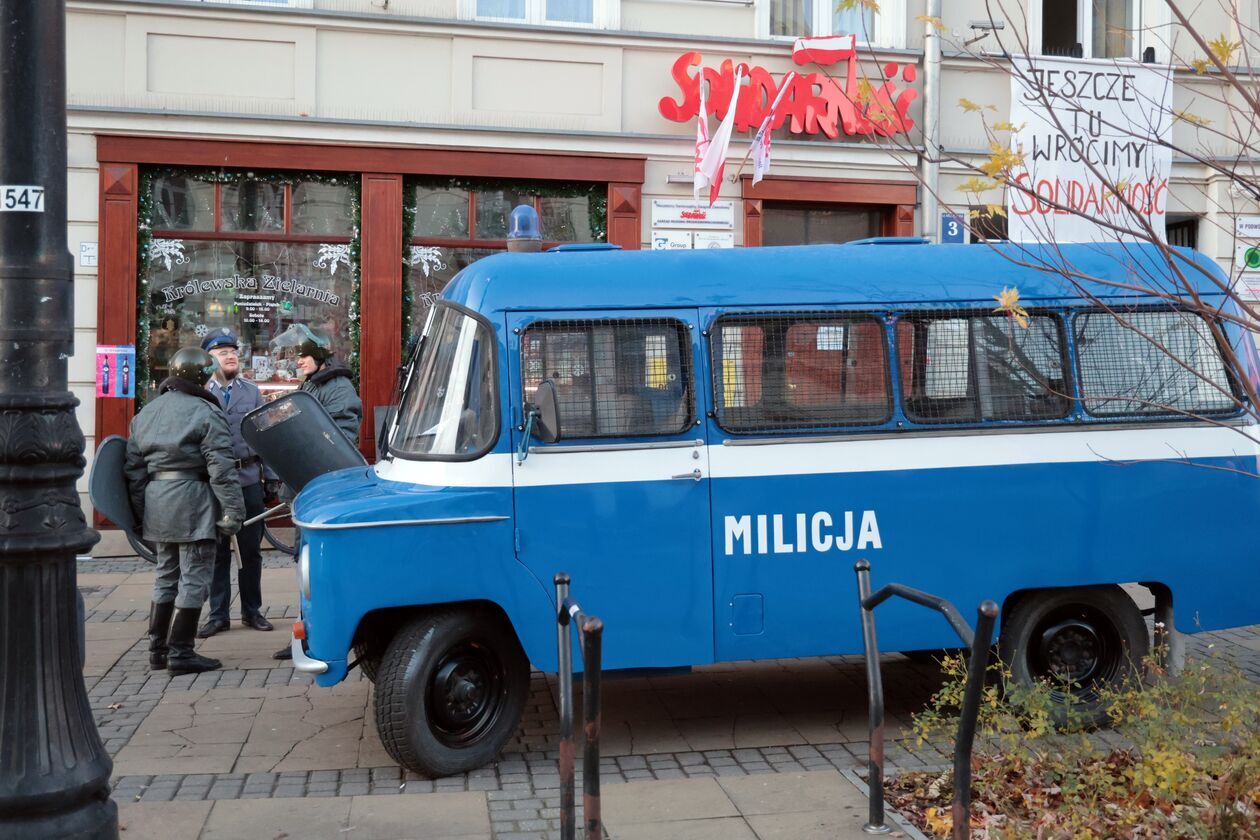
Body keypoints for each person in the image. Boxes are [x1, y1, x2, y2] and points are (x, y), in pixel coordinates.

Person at [124, 347, 245, 675]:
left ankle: (157, 650)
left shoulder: (146, 413)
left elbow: (134, 471)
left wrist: (139, 513)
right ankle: (182, 652)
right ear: (200, 376)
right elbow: (220, 467)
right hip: (193, 500)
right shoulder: (206, 411)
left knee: (165, 573)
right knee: (195, 575)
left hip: (158, 500)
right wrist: (234, 511)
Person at [274, 327, 362, 660]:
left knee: (316, 568)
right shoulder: (312, 385)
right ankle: (307, 633)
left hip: (323, 489)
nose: (298, 361)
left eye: (303, 356)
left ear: (319, 356)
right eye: (296, 357)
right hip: (308, 487)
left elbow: (338, 439)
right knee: (306, 567)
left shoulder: (338, 388)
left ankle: (318, 636)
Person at [197, 328, 277, 638]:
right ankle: (218, 615)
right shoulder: (201, 392)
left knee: (251, 551)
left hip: (247, 481)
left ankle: (251, 610)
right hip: (215, 484)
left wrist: (270, 477)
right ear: (209, 359)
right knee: (217, 550)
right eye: (222, 352)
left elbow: (264, 436)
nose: (230, 355)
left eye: (233, 351)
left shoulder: (252, 391)